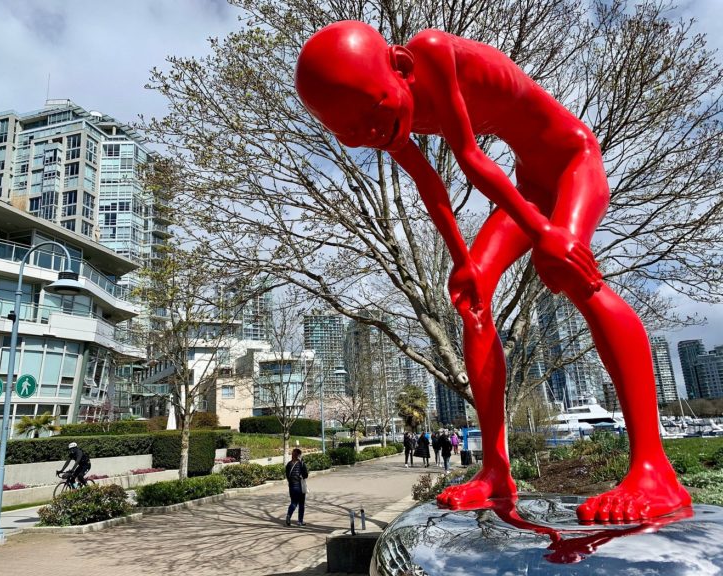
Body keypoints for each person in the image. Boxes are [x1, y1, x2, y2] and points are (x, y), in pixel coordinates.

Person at [295, 20, 691, 523]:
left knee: (567, 269)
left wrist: (546, 233)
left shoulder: (431, 52)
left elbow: (469, 157)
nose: (372, 134)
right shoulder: (387, 116)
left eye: (373, 114)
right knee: (472, 296)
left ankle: (655, 470)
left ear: (401, 66)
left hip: (573, 162)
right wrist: (463, 261)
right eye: (351, 133)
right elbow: (429, 185)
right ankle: (496, 471)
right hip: (532, 185)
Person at [285, 448, 309, 526]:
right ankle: (300, 521)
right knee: (301, 504)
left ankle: (288, 515)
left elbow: (287, 476)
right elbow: (306, 475)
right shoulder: (301, 464)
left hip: (292, 486)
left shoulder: (289, 464)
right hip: (300, 486)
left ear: (292, 455)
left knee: (293, 503)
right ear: (299, 455)